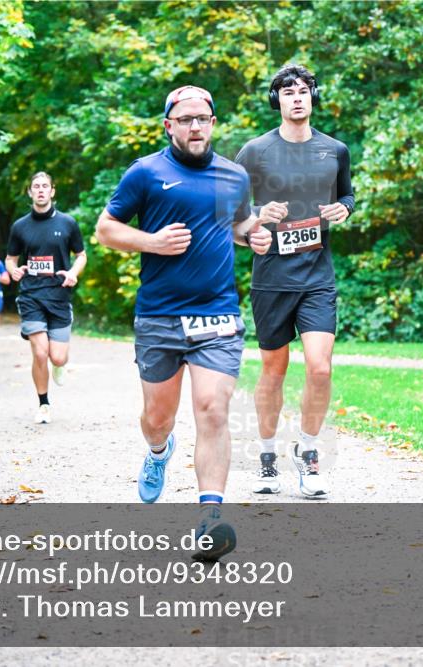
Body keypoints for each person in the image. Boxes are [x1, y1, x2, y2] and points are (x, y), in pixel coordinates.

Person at [95, 85, 271, 560]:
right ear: (168, 125)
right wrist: (151, 242)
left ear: (214, 123)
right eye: (186, 118)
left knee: (213, 408)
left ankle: (209, 518)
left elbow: (232, 225)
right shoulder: (146, 173)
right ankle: (158, 452)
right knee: (158, 419)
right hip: (159, 316)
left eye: (204, 118)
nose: (196, 126)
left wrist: (251, 236)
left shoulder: (234, 177)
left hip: (216, 312)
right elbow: (105, 230)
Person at [235, 64, 355, 498]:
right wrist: (254, 223)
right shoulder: (254, 151)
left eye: (303, 91)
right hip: (271, 278)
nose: (297, 98)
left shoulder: (335, 150)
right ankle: (267, 458)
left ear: (313, 97)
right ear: (277, 101)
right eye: (288, 92)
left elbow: (346, 194)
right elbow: (230, 211)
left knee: (320, 368)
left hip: (317, 275)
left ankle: (308, 455)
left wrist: (345, 209)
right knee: (274, 369)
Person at [5, 172, 87, 424]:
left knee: (57, 357)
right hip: (31, 296)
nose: (40, 190)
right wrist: (14, 270)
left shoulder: (68, 223)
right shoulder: (20, 226)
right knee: (40, 354)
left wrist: (73, 272)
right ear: (30, 192)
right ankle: (43, 404)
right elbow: (10, 259)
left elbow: (81, 255)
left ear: (52, 191)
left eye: (45, 186)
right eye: (35, 187)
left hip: (59, 297)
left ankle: (59, 365)